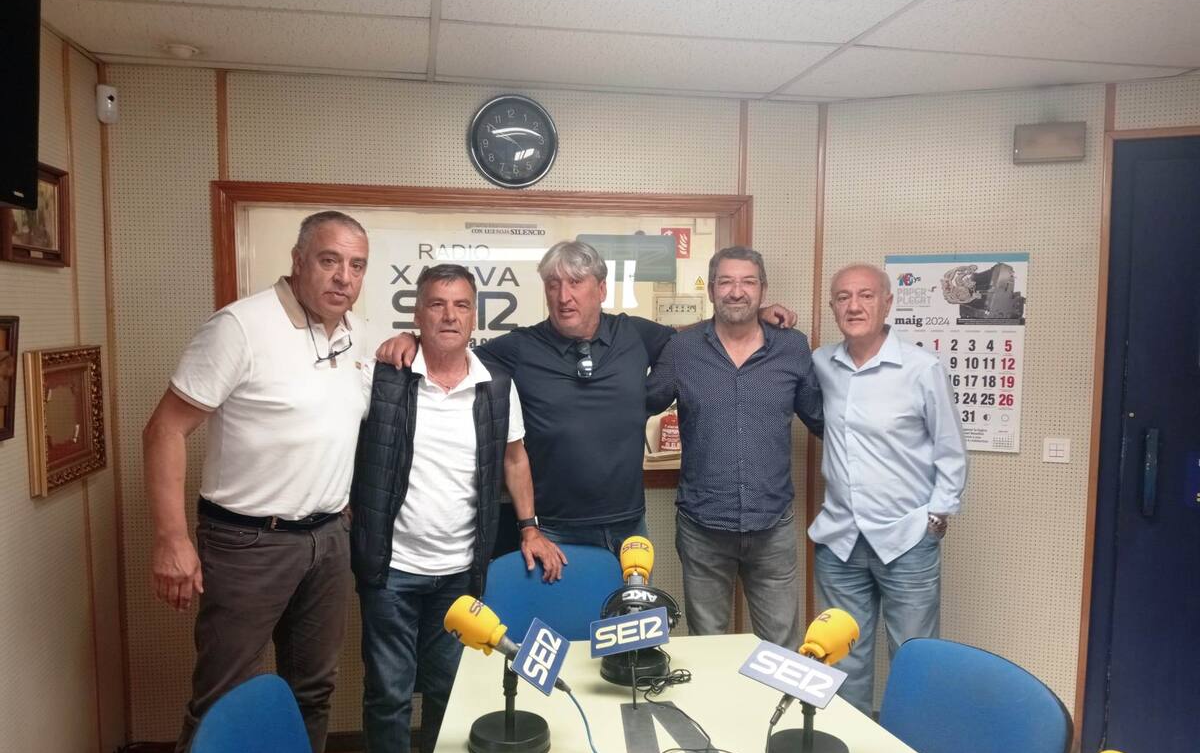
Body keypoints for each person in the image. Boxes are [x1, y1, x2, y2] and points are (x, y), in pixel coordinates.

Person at [143, 211, 372, 753]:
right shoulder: (240, 327)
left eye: (356, 265)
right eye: (329, 260)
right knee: (223, 702)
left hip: (327, 540)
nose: (343, 277)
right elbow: (163, 430)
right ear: (297, 261)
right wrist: (171, 539)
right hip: (247, 542)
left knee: (312, 690)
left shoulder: (357, 334)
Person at [377, 239, 796, 558]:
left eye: (576, 283)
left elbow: (702, 338)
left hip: (629, 527)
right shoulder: (519, 348)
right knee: (562, 635)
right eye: (554, 285)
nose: (564, 297)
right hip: (551, 530)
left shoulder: (635, 334)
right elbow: (453, 351)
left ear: (601, 289)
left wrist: (751, 316)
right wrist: (413, 339)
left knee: (629, 637)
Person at [349, 264, 562, 753]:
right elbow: (338, 439)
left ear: (474, 316)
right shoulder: (382, 375)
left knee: (447, 688)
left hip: (460, 571)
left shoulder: (496, 386)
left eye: (461, 305)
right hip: (391, 568)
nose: (449, 315)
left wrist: (529, 526)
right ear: (417, 314)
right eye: (437, 304)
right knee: (390, 691)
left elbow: (515, 459)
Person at [808, 263, 968, 715]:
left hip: (906, 540)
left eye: (866, 295)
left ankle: (914, 747)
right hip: (840, 540)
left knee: (915, 659)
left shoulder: (921, 368)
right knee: (843, 660)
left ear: (887, 303)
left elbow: (950, 448)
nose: (854, 306)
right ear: (833, 306)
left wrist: (936, 516)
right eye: (843, 297)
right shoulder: (822, 363)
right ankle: (849, 743)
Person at [646, 247, 822, 648]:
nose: (736, 291)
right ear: (711, 289)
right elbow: (642, 402)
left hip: (772, 525)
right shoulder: (683, 349)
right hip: (702, 527)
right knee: (708, 646)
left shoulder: (792, 347)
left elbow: (821, 418)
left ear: (763, 290)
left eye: (748, 282)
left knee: (781, 649)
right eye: (726, 282)